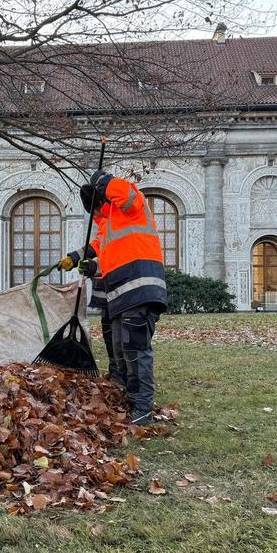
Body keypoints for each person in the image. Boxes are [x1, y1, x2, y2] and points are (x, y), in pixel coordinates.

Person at [61, 170, 167, 425]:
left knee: (135, 351)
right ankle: (127, 401)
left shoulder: (130, 209)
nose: (95, 215)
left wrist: (104, 181)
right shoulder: (108, 226)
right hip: (121, 294)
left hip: (140, 287)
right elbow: (109, 256)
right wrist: (88, 265)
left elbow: (128, 194)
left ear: (103, 199)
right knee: (120, 351)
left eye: (96, 208)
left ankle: (142, 408)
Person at [60, 209, 125, 386]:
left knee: (120, 335)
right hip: (106, 289)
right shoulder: (104, 222)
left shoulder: (119, 220)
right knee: (108, 330)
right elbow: (98, 245)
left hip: (119, 289)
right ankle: (115, 372)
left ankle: (123, 376)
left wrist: (94, 266)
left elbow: (117, 254)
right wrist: (73, 258)